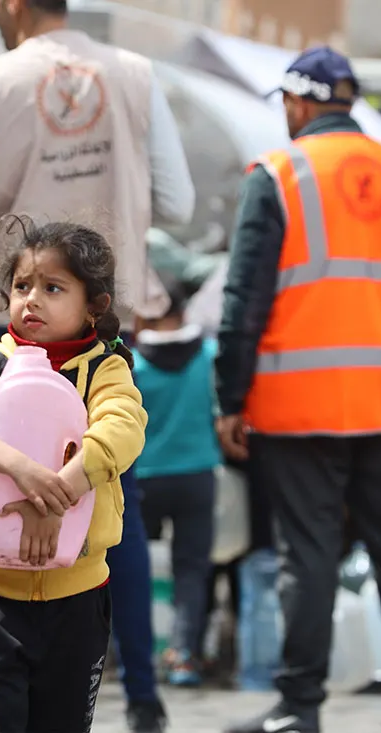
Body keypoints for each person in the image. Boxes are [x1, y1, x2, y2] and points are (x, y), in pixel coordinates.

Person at [0, 3, 193, 728]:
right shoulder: (137, 76)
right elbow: (178, 197)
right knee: (115, 517)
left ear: (13, 6)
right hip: (103, 322)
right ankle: (141, 692)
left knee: (0, 496)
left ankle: (15, 675)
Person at [215, 46, 381, 733]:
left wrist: (230, 398)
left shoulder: (280, 174)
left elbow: (243, 298)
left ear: (297, 102)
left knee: (309, 553)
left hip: (300, 403)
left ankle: (300, 706)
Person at [0, 217, 148, 733]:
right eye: (22, 286)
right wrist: (20, 468)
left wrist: (59, 493)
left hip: (78, 599)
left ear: (95, 304)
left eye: (53, 287)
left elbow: (123, 429)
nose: (32, 300)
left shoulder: (106, 371)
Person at [130, 277, 220, 688]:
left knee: (130, 565)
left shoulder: (132, 364)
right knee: (191, 570)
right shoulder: (208, 355)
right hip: (198, 475)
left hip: (143, 477)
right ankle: (183, 655)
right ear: (183, 314)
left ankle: (130, 652)